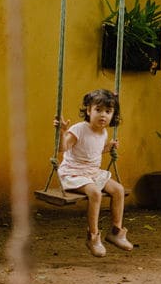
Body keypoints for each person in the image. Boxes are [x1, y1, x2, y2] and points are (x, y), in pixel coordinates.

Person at [55, 89, 134, 257]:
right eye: (98, 110)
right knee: (95, 193)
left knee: (118, 190)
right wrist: (62, 132)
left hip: (92, 173)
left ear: (113, 114)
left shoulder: (103, 131)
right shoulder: (79, 129)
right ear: (88, 111)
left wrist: (108, 147)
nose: (103, 115)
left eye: (108, 111)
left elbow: (94, 151)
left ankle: (116, 231)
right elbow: (63, 148)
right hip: (73, 173)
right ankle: (93, 236)